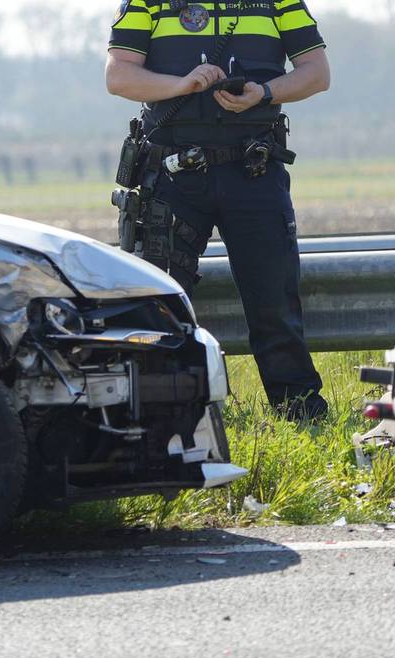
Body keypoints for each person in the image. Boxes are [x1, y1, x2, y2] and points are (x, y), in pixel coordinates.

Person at [105, 0, 332, 421]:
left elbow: (317, 74)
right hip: (172, 175)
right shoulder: (147, 3)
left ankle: (301, 412)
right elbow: (118, 76)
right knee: (161, 303)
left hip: (254, 169)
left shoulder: (279, 3)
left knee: (273, 300)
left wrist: (264, 93)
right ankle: (164, 417)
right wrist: (183, 85)